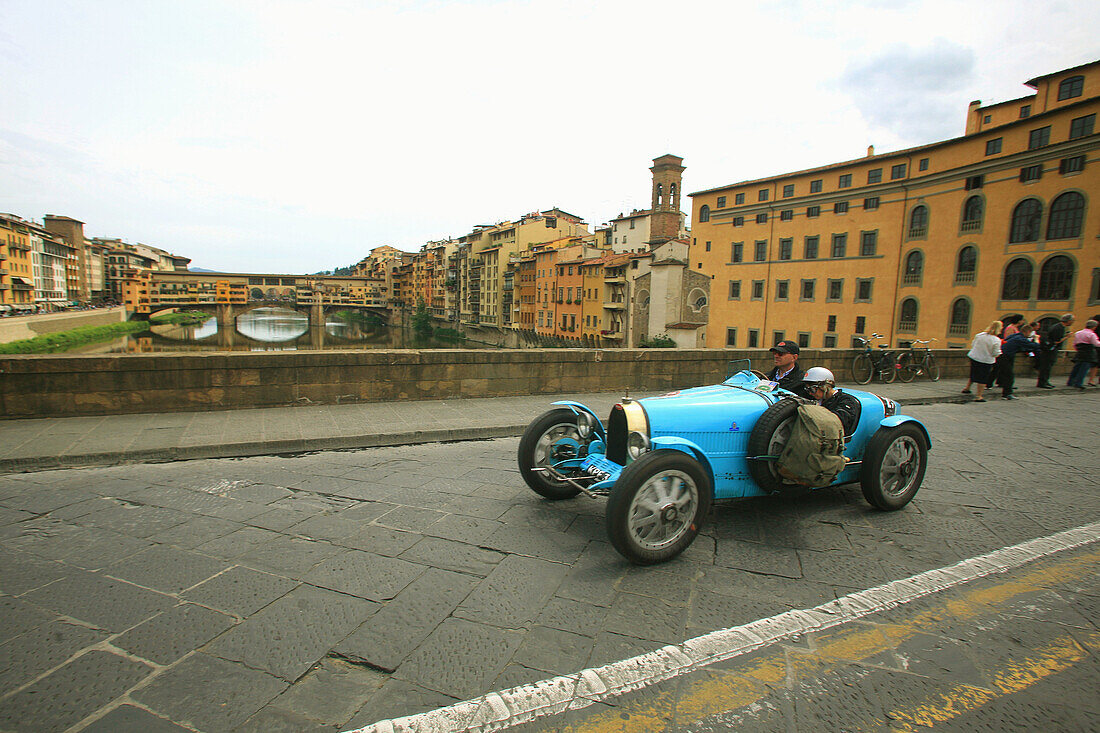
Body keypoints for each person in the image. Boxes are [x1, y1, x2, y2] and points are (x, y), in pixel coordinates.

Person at [802, 366, 861, 436]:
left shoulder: (846, 401)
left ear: (825, 386)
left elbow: (836, 422)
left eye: (813, 389)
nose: (810, 393)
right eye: (807, 390)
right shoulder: (815, 399)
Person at [999, 322, 1040, 399]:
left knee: (1002, 373)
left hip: (1001, 354)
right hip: (1006, 356)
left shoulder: (1014, 336)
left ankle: (1004, 391)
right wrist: (1037, 339)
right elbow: (1035, 346)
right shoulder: (1020, 339)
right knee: (1009, 376)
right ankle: (1007, 394)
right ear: (1027, 332)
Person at [964, 321, 1002, 402]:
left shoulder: (980, 335)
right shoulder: (996, 340)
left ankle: (967, 388)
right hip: (985, 360)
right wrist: (999, 354)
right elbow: (995, 353)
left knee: (973, 372)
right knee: (983, 378)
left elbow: (973, 344)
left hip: (974, 356)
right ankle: (979, 395)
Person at [1037, 313, 1074, 388]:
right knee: (1046, 366)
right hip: (1050, 349)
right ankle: (1042, 382)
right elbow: (1056, 341)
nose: (1073, 322)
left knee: (1047, 366)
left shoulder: (1057, 326)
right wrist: (1067, 337)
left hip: (1049, 349)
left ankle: (1045, 381)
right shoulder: (1059, 328)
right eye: (1072, 320)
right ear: (1068, 321)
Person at [1067, 320, 1100, 389]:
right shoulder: (1091, 334)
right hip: (1088, 352)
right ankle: (1078, 383)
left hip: (1080, 351)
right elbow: (1096, 344)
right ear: (1094, 327)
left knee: (1076, 367)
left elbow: (1075, 343)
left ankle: (1070, 381)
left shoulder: (1078, 333)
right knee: (1084, 368)